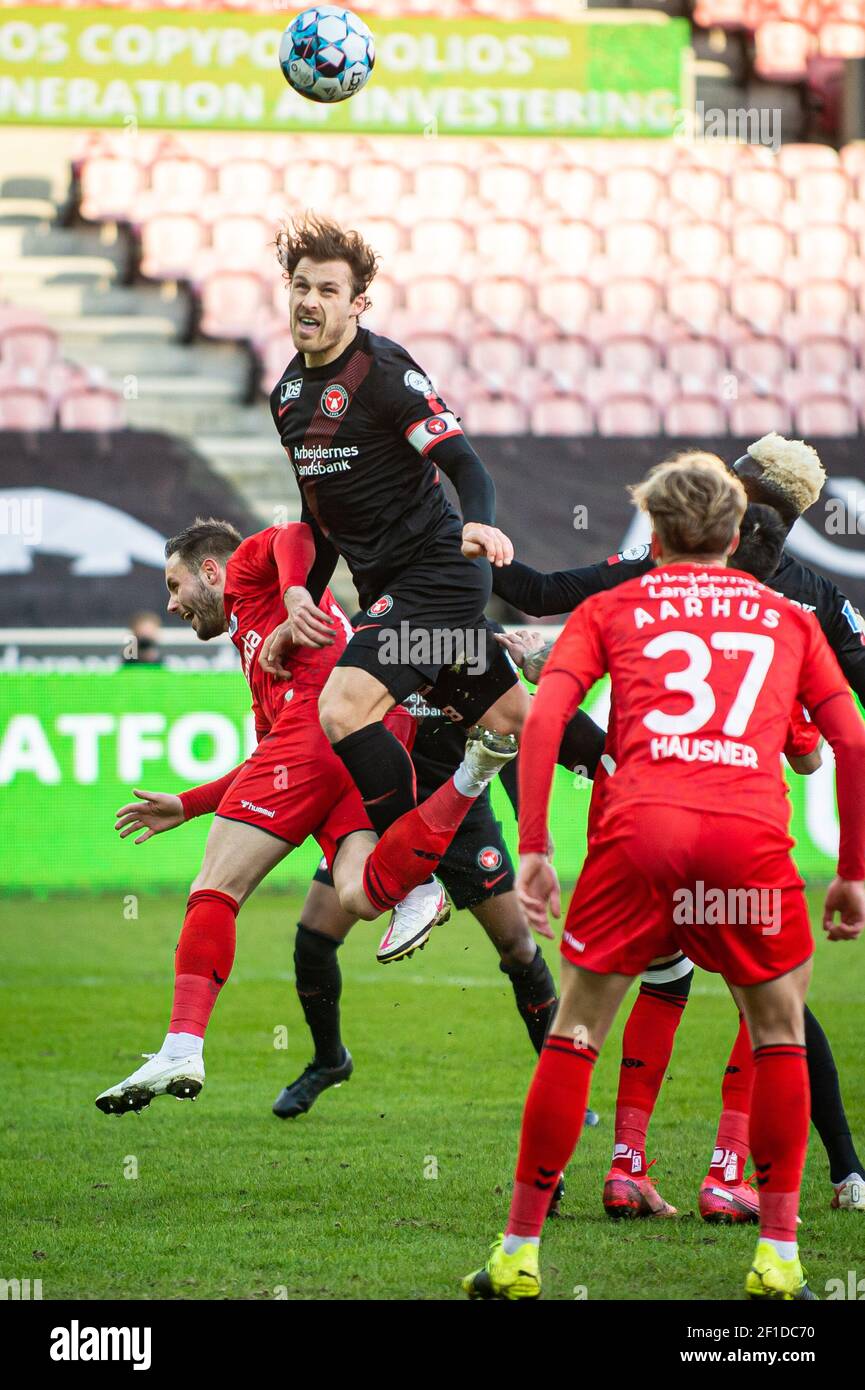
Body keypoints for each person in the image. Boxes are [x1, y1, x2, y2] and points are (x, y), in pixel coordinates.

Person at [463, 453, 865, 1301]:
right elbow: (849, 742)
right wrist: (852, 873)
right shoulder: (788, 616)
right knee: (778, 1027)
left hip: (637, 828)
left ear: (654, 529)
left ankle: (520, 1250)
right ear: (735, 530)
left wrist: (533, 848)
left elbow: (544, 721)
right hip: (745, 836)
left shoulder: (614, 605)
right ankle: (778, 1252)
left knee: (575, 1030)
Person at [95, 518, 516, 1115]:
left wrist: (295, 595)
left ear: (209, 571)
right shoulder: (254, 652)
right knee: (357, 895)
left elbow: (294, 533)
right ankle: (463, 793)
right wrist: (187, 805)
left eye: (174, 585)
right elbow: (265, 758)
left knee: (215, 885)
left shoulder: (245, 573)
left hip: (323, 720)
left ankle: (182, 1045)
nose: (171, 604)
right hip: (355, 737)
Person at [265, 215, 531, 967]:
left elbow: (466, 465)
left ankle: (411, 879)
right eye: (299, 286)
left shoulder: (383, 373)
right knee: (517, 718)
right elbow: (320, 521)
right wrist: (297, 600)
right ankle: (632, 790)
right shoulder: (287, 395)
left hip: (439, 573)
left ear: (358, 305)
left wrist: (478, 526)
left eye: (327, 289)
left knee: (345, 707)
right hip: (391, 588)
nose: (308, 301)